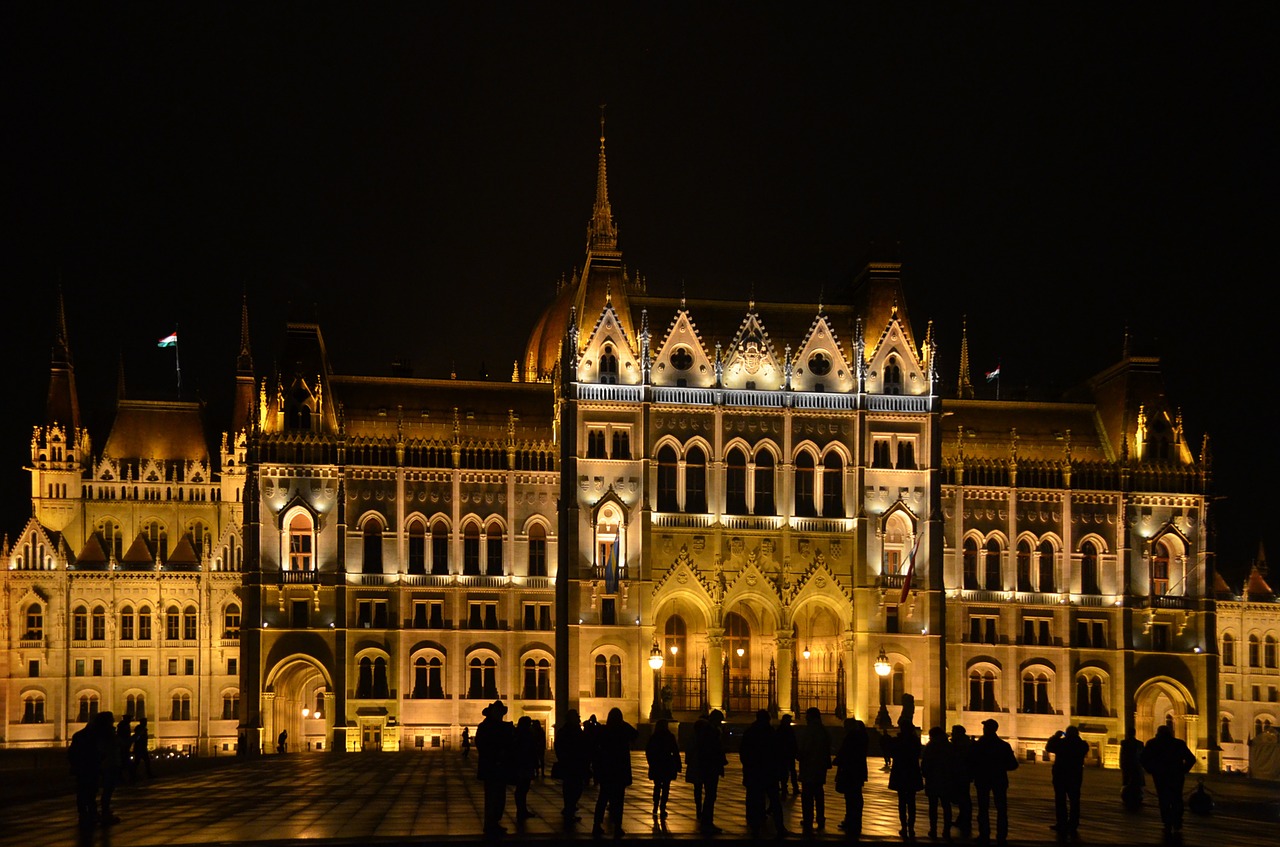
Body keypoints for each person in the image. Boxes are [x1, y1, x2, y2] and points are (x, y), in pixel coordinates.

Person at [1140, 724, 1196, 836]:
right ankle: (1177, 821)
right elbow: (1191, 759)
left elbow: (1142, 758)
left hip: (1160, 775)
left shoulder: (1153, 743)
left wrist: (1151, 769)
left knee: (1163, 799)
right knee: (1177, 798)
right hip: (1176, 775)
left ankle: (1167, 822)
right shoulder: (1178, 744)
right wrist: (1183, 770)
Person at [591, 707, 638, 838]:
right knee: (618, 800)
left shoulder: (605, 731)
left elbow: (596, 745)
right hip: (620, 770)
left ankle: (596, 824)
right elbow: (635, 734)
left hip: (607, 770)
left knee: (603, 798)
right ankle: (618, 826)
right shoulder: (623, 730)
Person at [971, 718, 1018, 847]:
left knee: (983, 808)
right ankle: (1001, 836)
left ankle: (984, 835)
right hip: (999, 779)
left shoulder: (979, 745)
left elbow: (972, 762)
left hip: (983, 779)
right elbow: (1013, 764)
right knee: (1001, 809)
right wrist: (1000, 767)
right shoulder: (1003, 745)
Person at [740, 710, 784, 836]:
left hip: (754, 771)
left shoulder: (750, 732)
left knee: (754, 798)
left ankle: (754, 824)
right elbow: (777, 753)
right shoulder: (771, 733)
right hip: (769, 772)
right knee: (774, 800)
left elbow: (744, 753)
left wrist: (748, 766)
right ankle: (779, 826)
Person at [475, 699, 515, 836]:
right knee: (492, 797)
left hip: (499, 767)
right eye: (498, 712)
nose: (500, 715)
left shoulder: (500, 727)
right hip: (491, 767)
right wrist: (496, 754)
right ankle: (490, 824)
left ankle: (494, 822)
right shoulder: (485, 727)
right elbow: (482, 745)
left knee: (500, 797)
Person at [1045, 725, 1089, 838]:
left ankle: (1062, 823)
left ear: (1067, 733)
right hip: (1075, 776)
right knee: (1075, 801)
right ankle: (1073, 823)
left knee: (1060, 800)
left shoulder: (1062, 743)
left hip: (1061, 775)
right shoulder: (1083, 745)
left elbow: (1049, 747)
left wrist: (1055, 736)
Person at [797, 706, 833, 833]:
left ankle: (808, 819)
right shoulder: (823, 730)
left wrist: (799, 755)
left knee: (807, 795)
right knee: (819, 794)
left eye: (807, 715)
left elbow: (804, 748)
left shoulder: (809, 730)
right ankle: (820, 818)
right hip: (820, 767)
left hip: (809, 766)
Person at [833, 717, 869, 838]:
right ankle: (854, 820)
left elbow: (845, 753)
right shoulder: (861, 737)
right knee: (856, 796)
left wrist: (837, 761)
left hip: (850, 771)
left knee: (851, 797)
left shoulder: (851, 737)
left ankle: (851, 820)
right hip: (858, 771)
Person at [888, 716, 923, 839]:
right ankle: (911, 827)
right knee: (911, 802)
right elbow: (917, 753)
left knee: (902, 802)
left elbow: (892, 752)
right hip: (912, 772)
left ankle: (904, 826)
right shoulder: (914, 740)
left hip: (900, 772)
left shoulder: (899, 740)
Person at [554, 709, 590, 822]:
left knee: (570, 788)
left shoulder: (565, 731)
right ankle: (569, 810)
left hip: (571, 764)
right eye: (577, 717)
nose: (579, 719)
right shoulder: (573, 732)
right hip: (574, 764)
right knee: (575, 788)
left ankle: (569, 808)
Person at [695, 710, 728, 834]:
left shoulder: (707, 731)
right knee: (710, 795)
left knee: (709, 795)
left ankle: (706, 820)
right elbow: (715, 750)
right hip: (711, 767)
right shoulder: (711, 732)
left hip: (707, 766)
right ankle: (707, 822)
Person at [920, 726, 954, 840]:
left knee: (933, 807)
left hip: (933, 780)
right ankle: (946, 830)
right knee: (946, 806)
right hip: (947, 780)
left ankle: (933, 829)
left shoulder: (930, 746)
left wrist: (925, 774)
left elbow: (925, 763)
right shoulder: (949, 746)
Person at [69, 714, 102, 826]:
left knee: (83, 791)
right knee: (90, 792)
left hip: (82, 768)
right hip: (89, 768)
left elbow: (72, 753)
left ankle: (84, 813)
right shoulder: (94, 737)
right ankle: (90, 813)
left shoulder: (78, 735)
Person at [645, 718, 682, 821]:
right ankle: (662, 807)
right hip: (667, 764)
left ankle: (655, 806)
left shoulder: (654, 737)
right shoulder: (670, 736)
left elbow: (648, 751)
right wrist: (678, 765)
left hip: (657, 764)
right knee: (666, 787)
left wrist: (651, 762)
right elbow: (675, 751)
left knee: (657, 786)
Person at [512, 715, 540, 821]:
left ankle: (522, 810)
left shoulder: (520, 734)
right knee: (522, 789)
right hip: (524, 764)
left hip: (523, 764)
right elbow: (530, 750)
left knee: (522, 789)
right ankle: (521, 810)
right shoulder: (525, 735)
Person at [948, 726, 974, 839]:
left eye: (953, 732)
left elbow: (957, 758)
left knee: (963, 798)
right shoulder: (965, 743)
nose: (952, 734)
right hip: (963, 774)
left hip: (960, 774)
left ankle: (964, 819)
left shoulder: (961, 744)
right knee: (963, 798)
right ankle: (963, 819)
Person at [1119, 730, 1145, 810]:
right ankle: (1137, 796)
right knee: (1137, 781)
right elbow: (1142, 755)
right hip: (1137, 766)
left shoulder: (1124, 743)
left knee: (1127, 781)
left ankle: (1127, 796)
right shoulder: (1140, 743)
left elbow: (1122, 754)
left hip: (1127, 765)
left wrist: (1121, 764)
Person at [776, 713, 800, 799]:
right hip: (787, 753)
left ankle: (785, 787)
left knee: (785, 772)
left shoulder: (780, 729)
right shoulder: (788, 730)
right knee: (790, 771)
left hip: (784, 754)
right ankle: (792, 787)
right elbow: (793, 742)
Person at [116, 715, 133, 783]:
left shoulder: (124, 725)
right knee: (124, 762)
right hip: (123, 745)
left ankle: (122, 777)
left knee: (124, 762)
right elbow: (122, 735)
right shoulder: (123, 725)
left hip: (124, 745)